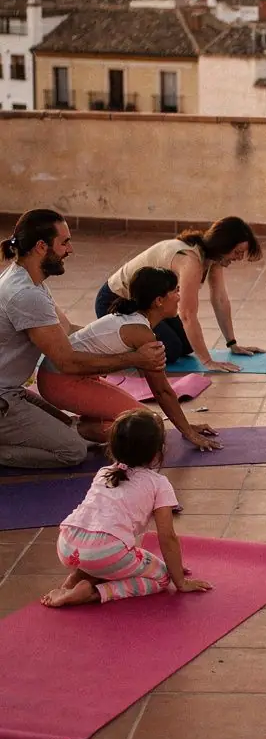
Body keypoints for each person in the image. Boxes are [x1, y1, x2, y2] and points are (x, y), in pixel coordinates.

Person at [0, 209, 164, 471]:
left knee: (73, 430)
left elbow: (69, 331)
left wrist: (115, 333)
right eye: (64, 242)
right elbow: (67, 362)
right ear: (42, 247)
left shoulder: (29, 281)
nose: (70, 250)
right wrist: (134, 358)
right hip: (3, 399)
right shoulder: (25, 294)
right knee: (72, 450)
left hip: (11, 393)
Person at [41, 408, 212, 608]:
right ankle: (93, 593)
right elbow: (167, 537)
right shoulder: (159, 483)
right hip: (105, 551)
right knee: (161, 577)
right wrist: (180, 582)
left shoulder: (104, 472)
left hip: (67, 544)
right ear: (157, 452)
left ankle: (76, 579)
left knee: (107, 553)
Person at [37, 267, 220, 451]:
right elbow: (162, 391)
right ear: (159, 301)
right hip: (60, 381)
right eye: (175, 291)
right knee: (149, 430)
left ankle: (85, 425)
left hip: (68, 375)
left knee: (144, 422)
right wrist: (188, 433)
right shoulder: (140, 333)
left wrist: (187, 428)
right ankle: (70, 432)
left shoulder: (134, 320)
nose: (179, 297)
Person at [95, 217, 263, 372]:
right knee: (171, 351)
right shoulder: (190, 260)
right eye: (237, 252)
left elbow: (220, 300)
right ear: (222, 245)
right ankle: (119, 343)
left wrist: (232, 344)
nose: (239, 258)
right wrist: (207, 362)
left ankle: (135, 338)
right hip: (115, 302)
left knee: (187, 346)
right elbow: (187, 315)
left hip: (150, 305)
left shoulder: (213, 258)